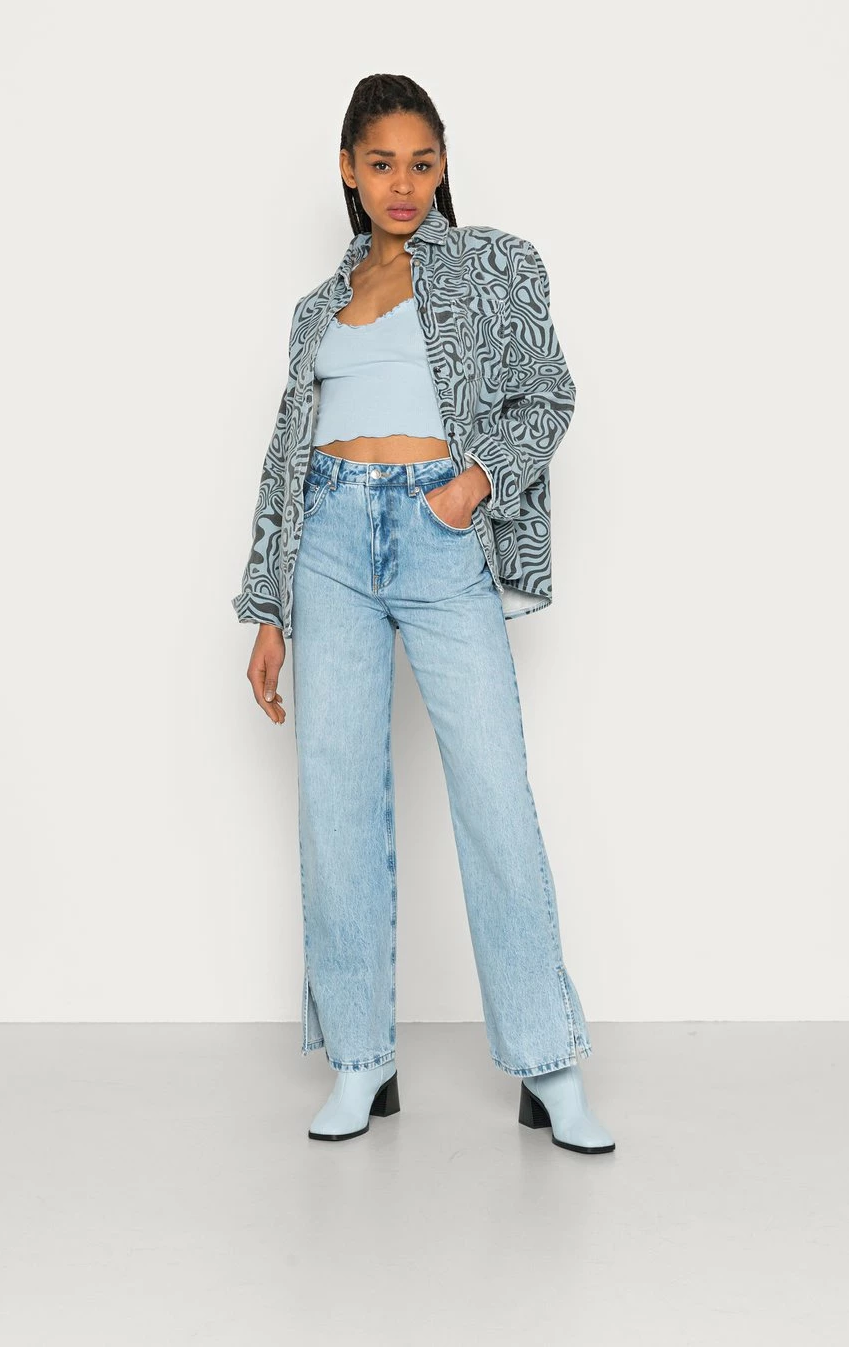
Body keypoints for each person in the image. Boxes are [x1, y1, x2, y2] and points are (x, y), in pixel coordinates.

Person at [232, 74, 615, 1156]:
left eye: (423, 162)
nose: (404, 184)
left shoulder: (495, 264)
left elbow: (548, 393)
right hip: (328, 542)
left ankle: (548, 1062)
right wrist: (267, 608)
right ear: (348, 171)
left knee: (494, 793)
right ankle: (362, 1058)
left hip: (441, 533)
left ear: (442, 166)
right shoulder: (317, 306)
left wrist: (472, 485)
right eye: (382, 163)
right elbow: (283, 459)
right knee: (335, 801)